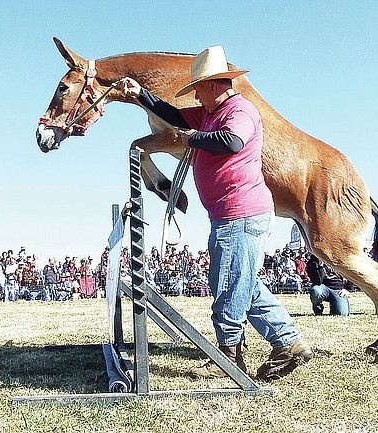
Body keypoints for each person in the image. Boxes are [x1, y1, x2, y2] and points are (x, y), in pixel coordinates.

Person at [118, 45, 312, 381]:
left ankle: (227, 356)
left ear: (212, 85)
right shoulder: (208, 113)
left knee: (227, 283)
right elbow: (173, 115)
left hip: (239, 212)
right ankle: (287, 342)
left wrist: (193, 138)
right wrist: (141, 95)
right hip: (231, 212)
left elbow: (231, 142)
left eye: (197, 90)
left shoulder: (239, 110)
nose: (195, 97)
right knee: (243, 282)